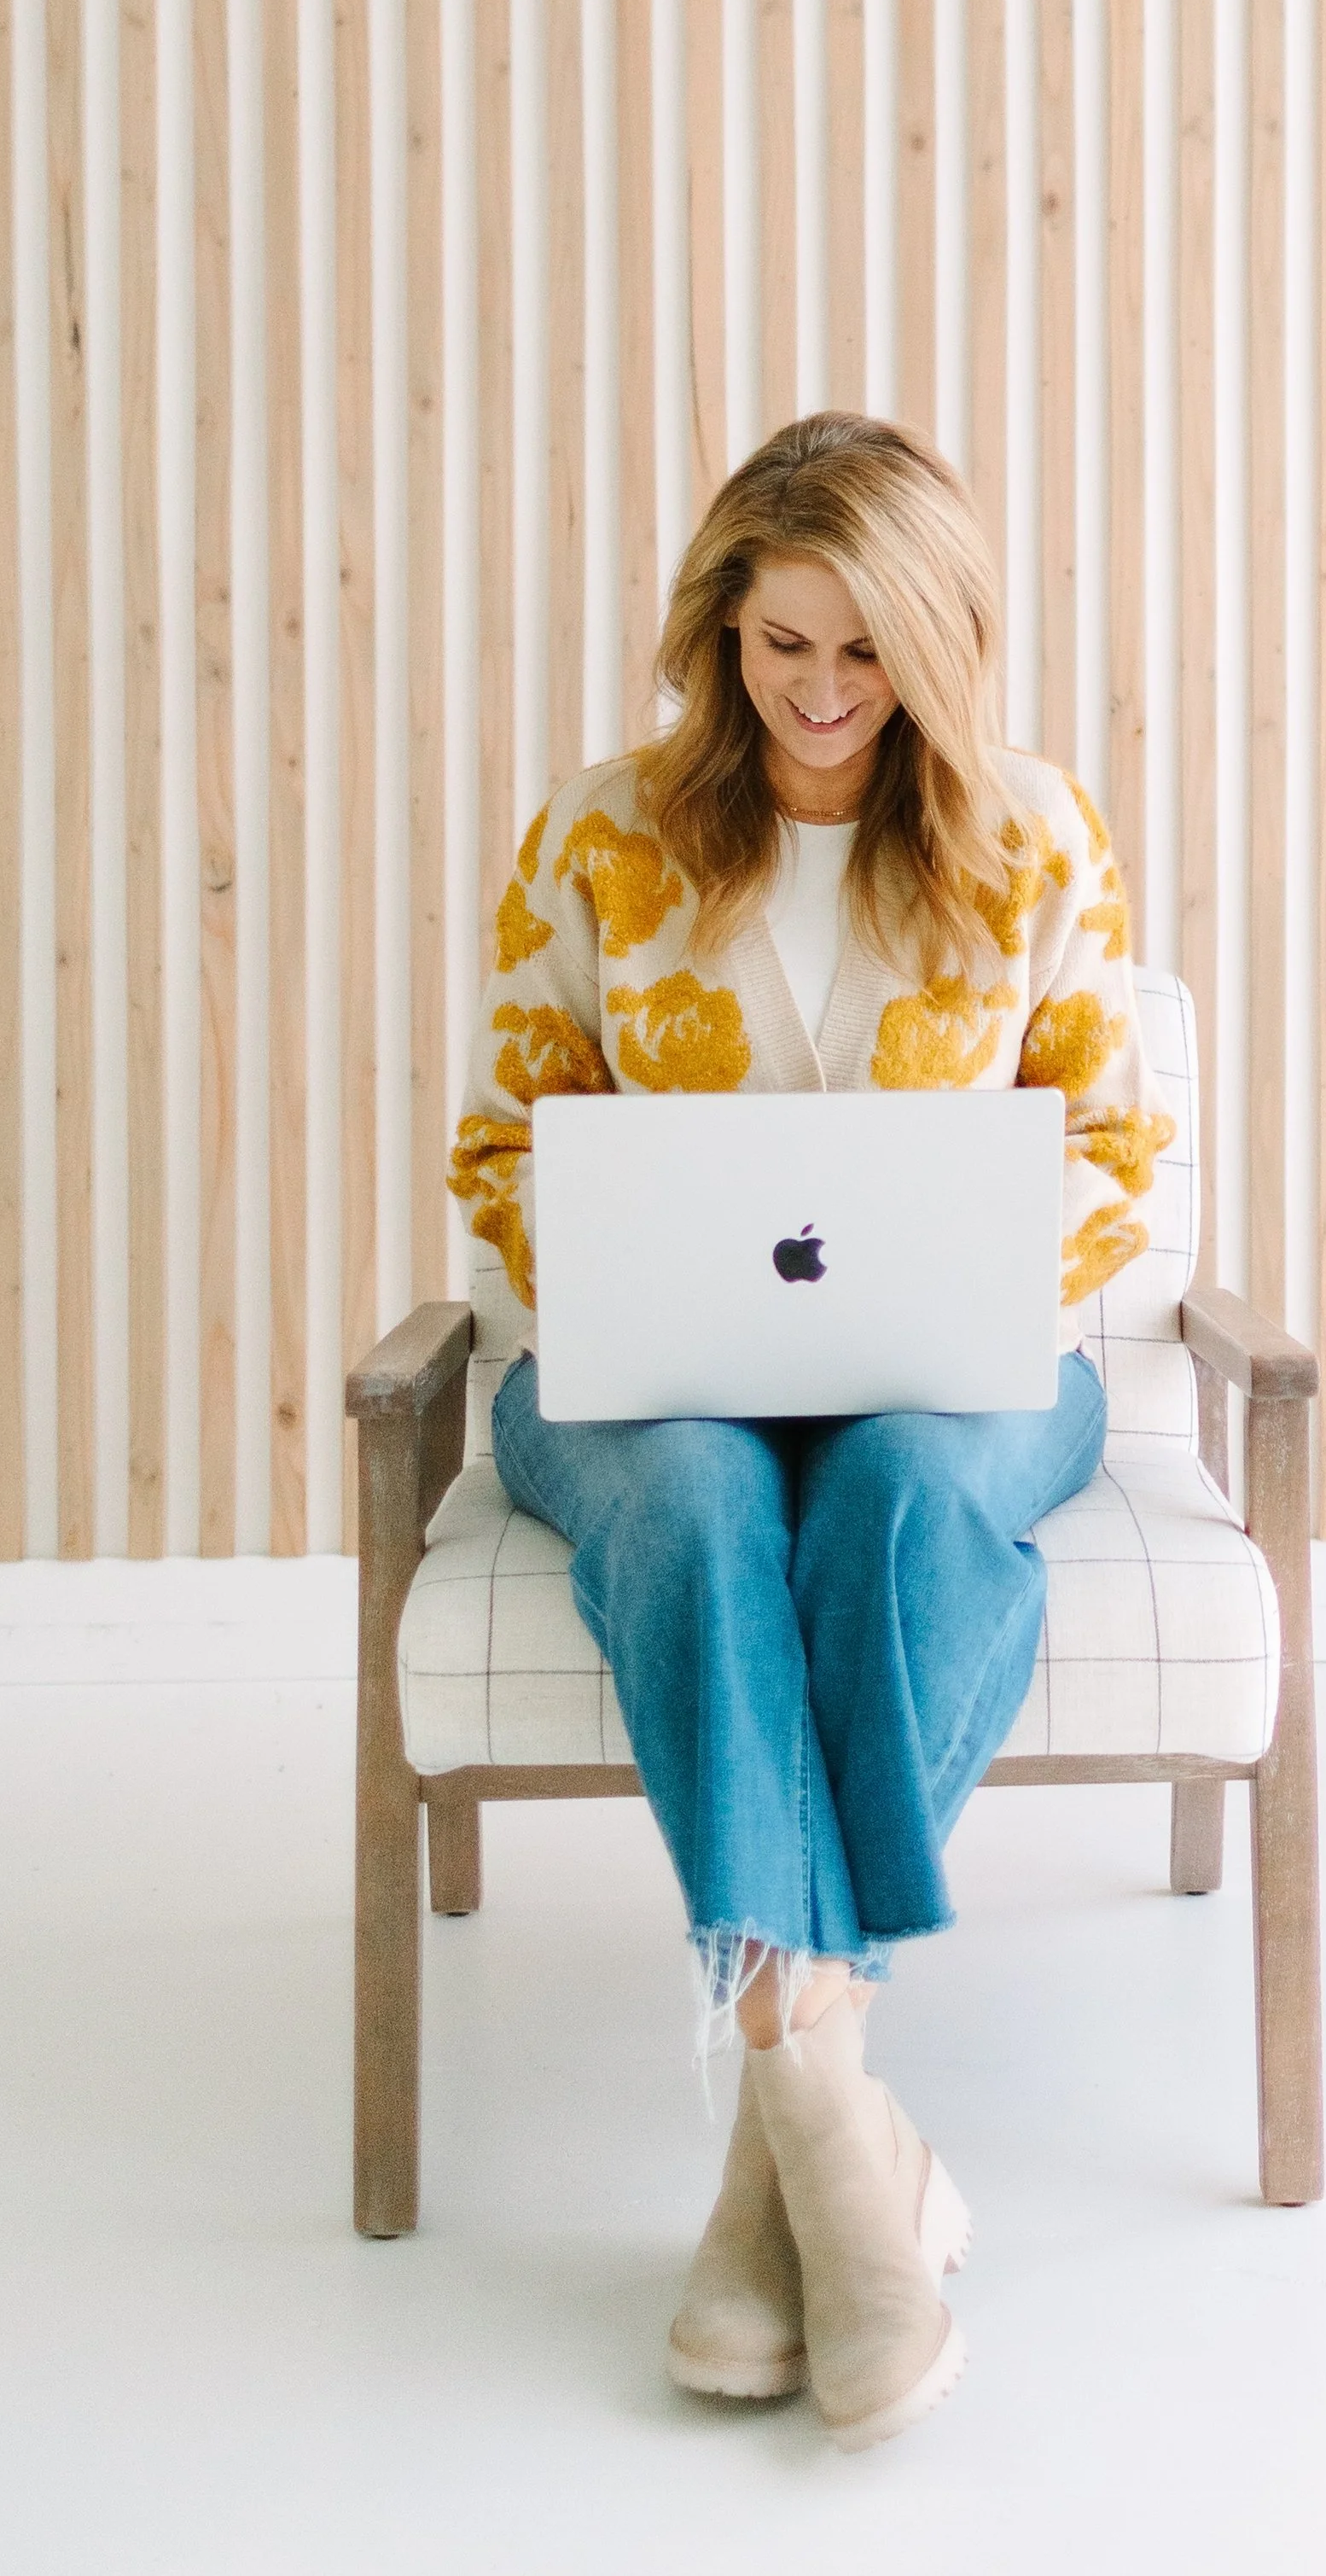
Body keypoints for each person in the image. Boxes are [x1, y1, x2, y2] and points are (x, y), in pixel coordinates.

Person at [448, 411, 1172, 2451]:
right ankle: (839, 2132)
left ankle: (779, 2135)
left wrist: (939, 1300)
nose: (823, 693)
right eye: (781, 645)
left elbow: (1110, 1155)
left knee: (904, 1495)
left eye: (864, 652)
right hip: (644, 1386)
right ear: (720, 628)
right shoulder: (599, 834)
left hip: (951, 1381)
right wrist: (619, 1272)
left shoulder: (1031, 832)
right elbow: (503, 1146)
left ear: (934, 644)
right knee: (688, 1505)